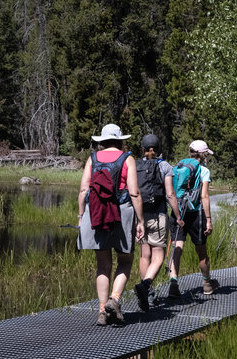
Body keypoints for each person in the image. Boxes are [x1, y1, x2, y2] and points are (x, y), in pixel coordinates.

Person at [77, 123, 146, 325]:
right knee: (125, 259)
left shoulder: (93, 158)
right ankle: (114, 299)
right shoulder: (127, 159)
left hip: (97, 213)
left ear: (102, 141)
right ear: (120, 140)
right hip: (121, 212)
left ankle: (101, 311)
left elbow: (83, 190)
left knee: (103, 264)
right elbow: (134, 192)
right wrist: (140, 221)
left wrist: (82, 216)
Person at [132, 133, 182, 311]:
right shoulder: (165, 166)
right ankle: (145, 286)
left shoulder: (135, 165)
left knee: (144, 255)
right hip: (158, 215)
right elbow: (170, 194)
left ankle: (149, 294)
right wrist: (177, 216)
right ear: (159, 149)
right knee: (158, 256)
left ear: (142, 149)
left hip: (139, 216)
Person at [167, 139, 217, 299]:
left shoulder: (178, 167)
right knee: (201, 251)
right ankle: (207, 284)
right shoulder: (203, 170)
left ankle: (173, 281)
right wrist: (208, 219)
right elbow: (204, 196)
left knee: (177, 248)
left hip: (178, 212)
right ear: (203, 155)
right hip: (196, 213)